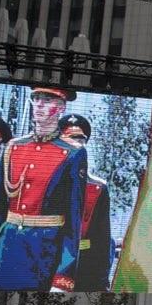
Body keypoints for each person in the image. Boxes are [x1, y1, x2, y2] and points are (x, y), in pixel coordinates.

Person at [0, 87, 88, 291]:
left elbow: (74, 218)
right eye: (36, 99)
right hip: (6, 248)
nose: (39, 105)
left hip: (43, 252)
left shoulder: (72, 153)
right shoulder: (14, 147)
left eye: (47, 100)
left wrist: (63, 275)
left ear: (61, 107)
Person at [58, 114, 112, 291]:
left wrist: (101, 279)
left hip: (84, 265)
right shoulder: (45, 182)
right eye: (70, 140)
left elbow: (102, 240)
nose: (77, 145)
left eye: (81, 140)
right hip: (48, 260)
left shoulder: (97, 189)